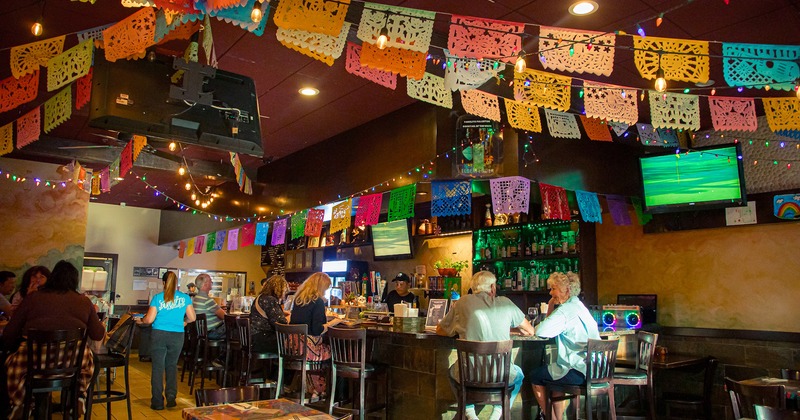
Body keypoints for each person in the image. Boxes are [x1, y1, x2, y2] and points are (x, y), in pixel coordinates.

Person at [3, 261, 105, 419]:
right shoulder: (84, 302)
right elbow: (98, 335)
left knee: (8, 363)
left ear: (52, 278)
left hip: (33, 364)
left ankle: (20, 402)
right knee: (90, 360)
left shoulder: (33, 299)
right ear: (74, 280)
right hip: (70, 366)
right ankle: (77, 397)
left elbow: (9, 334)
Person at [436, 270, 534, 420]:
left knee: (452, 372)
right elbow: (529, 330)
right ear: (493, 287)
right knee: (519, 375)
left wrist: (458, 328)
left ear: (473, 288)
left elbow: (440, 330)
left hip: (469, 374)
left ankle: (469, 413)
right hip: (501, 375)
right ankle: (498, 412)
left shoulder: (462, 302)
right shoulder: (505, 303)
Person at [529, 271, 600, 420]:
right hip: (596, 369)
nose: (550, 292)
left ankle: (551, 418)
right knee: (555, 376)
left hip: (579, 371)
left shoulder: (565, 311)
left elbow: (540, 330)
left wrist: (549, 307)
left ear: (566, 290)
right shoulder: (580, 307)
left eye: (553, 288)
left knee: (535, 375)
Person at [136, 270, 195, 410]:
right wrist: (184, 323)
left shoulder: (158, 298)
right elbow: (192, 318)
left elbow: (149, 319)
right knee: (172, 365)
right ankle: (171, 397)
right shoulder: (185, 298)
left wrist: (141, 320)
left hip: (159, 335)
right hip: (177, 335)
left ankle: (157, 401)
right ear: (176, 284)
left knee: (157, 368)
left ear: (163, 283)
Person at [289, 272, 341, 398]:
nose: (326, 292)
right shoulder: (317, 301)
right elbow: (317, 330)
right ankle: (333, 394)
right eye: (327, 288)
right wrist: (333, 322)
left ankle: (313, 389)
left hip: (293, 346)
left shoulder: (299, 299)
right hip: (308, 349)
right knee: (337, 354)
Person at [250, 275, 289, 353]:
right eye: (284, 291)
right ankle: (284, 364)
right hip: (264, 340)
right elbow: (281, 324)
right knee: (293, 343)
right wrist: (290, 317)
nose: (284, 294)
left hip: (254, 338)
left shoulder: (259, 297)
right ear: (279, 289)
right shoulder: (270, 300)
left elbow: (268, 314)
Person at [191, 273, 226, 339]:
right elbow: (225, 316)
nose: (212, 282)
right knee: (236, 329)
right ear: (205, 284)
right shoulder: (207, 300)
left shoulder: (195, 298)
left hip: (202, 332)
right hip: (213, 332)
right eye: (210, 281)